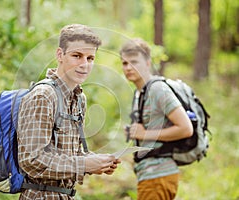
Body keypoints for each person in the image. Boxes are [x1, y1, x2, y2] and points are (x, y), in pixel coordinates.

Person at [17, 24, 121, 199]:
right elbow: (31, 161)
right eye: (77, 56)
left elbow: (71, 154)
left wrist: (98, 162)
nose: (84, 64)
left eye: (90, 58)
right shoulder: (43, 96)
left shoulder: (79, 98)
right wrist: (84, 164)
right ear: (60, 55)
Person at [119, 38, 193, 200]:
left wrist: (145, 133)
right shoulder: (140, 93)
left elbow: (186, 128)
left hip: (158, 176)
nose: (128, 67)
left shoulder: (157, 89)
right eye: (124, 63)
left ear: (147, 62)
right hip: (148, 175)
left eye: (134, 62)